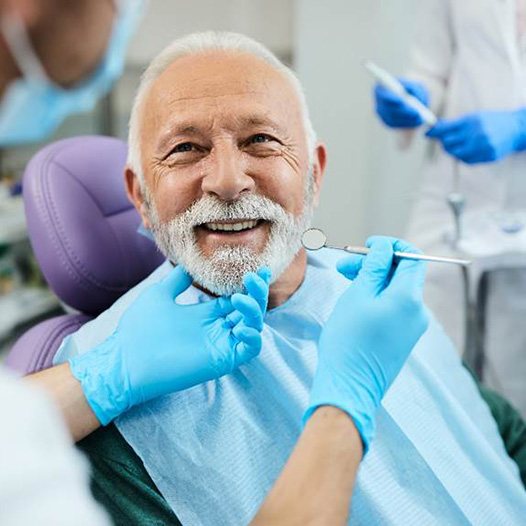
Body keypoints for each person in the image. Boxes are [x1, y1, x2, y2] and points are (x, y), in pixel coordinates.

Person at [44, 31, 526, 524]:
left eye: (261, 140)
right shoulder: (105, 393)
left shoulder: (377, 304)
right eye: (186, 148)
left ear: (314, 173)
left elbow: (500, 439)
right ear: (141, 197)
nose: (228, 181)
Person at [373, 0, 526, 413]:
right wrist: (414, 95)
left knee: (516, 382)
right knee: (426, 369)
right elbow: (433, 66)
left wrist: (521, 126)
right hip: (454, 195)